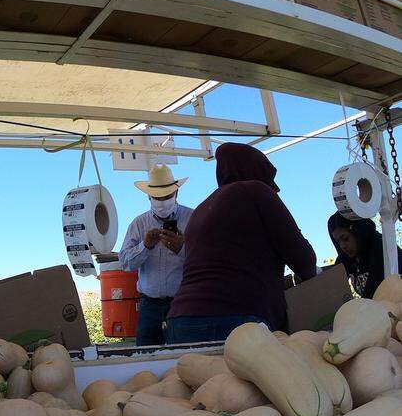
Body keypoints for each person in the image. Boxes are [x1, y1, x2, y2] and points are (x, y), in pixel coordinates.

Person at [167, 143, 316, 343]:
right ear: (256, 171)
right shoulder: (256, 191)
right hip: (237, 318)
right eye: (271, 177)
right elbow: (303, 258)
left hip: (180, 320)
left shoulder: (201, 209)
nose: (276, 187)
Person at [118, 164, 193, 346]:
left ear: (177, 194)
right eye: (157, 198)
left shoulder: (192, 218)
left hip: (182, 303)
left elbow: (206, 260)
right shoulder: (138, 224)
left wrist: (182, 249)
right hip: (149, 306)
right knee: (145, 355)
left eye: (167, 197)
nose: (162, 202)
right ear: (148, 196)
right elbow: (125, 263)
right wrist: (146, 246)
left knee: (183, 354)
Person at [328, 212, 402, 297]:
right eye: (338, 242)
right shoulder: (346, 258)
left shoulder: (381, 247)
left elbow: (374, 289)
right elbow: (332, 283)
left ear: (357, 232)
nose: (342, 246)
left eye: (345, 239)